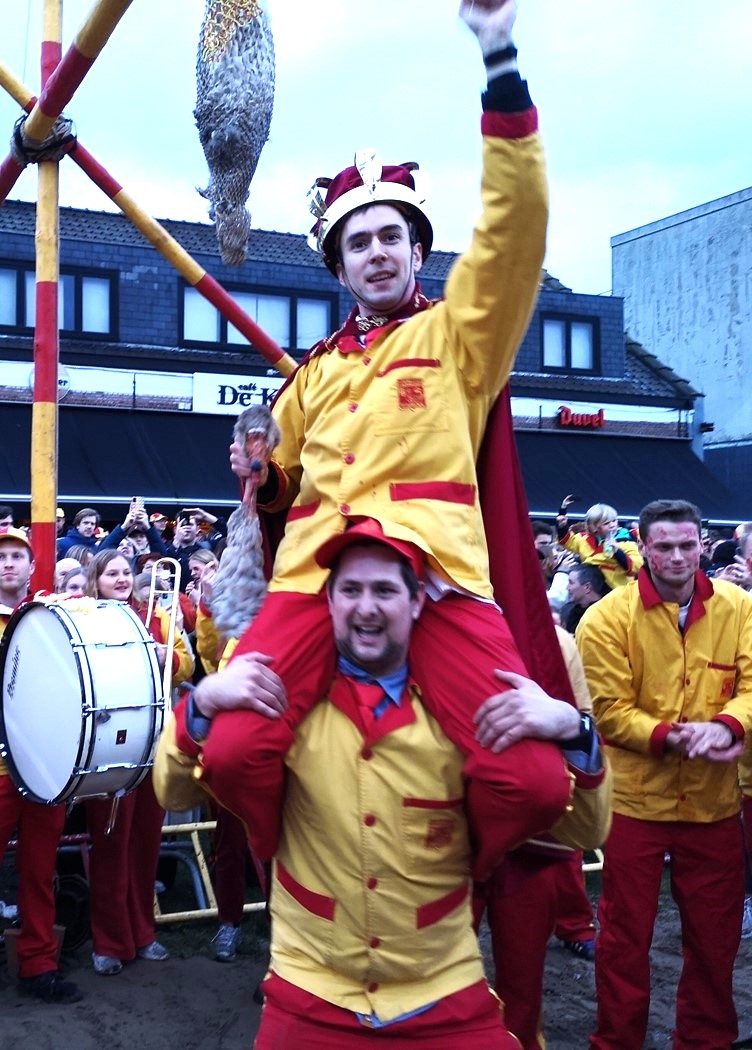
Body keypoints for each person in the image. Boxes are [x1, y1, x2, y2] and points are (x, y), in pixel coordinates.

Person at [200, 0, 574, 876]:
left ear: (417, 250)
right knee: (226, 756)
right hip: (312, 586)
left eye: (391, 236)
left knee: (533, 781)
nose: (376, 252)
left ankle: (444, 876)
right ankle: (305, 849)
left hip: (436, 582)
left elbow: (517, 224)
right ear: (337, 266)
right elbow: (277, 501)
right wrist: (264, 474)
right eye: (357, 241)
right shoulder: (309, 379)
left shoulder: (463, 335)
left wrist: (500, 60)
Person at [155, 520, 601, 1046]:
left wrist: (576, 732)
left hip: (442, 988)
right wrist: (201, 704)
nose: (366, 607)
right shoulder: (275, 692)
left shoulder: (470, 706)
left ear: (417, 603)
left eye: (385, 590)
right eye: (351, 590)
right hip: (311, 985)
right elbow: (174, 793)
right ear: (329, 600)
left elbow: (586, 833)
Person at [577, 499, 752, 1049]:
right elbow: (608, 710)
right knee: (625, 939)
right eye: (665, 546)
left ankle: (706, 1041)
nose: (677, 556)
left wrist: (727, 725)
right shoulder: (604, 619)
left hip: (714, 804)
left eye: (687, 545)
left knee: (715, 938)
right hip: (634, 805)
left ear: (701, 544)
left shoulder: (740, 609)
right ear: (644, 548)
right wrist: (673, 736)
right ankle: (617, 1041)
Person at [83, 550, 193, 976]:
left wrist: (172, 659)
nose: (121, 578)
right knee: (111, 845)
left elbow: (185, 665)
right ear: (97, 579)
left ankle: (143, 934)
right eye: (111, 573)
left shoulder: (157, 617)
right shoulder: (86, 618)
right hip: (107, 749)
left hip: (153, 743)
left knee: (147, 844)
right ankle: (109, 942)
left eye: (125, 572)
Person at [0, 527, 83, 1003]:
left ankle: (38, 966)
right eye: (2, 556)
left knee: (39, 868)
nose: (9, 563)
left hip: (46, 767)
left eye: (18, 556)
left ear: (32, 567)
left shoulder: (52, 619)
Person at [556, 497, 642, 589]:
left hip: (620, 594)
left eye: (614, 520)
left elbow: (638, 566)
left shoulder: (626, 542)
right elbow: (567, 541)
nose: (612, 525)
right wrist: (562, 524)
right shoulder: (584, 539)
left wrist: (618, 552)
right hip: (592, 593)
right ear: (593, 527)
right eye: (606, 523)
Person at [164, 511, 210, 592]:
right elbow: (164, 564)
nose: (186, 528)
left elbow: (226, 534)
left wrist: (205, 515)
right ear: (175, 530)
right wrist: (177, 541)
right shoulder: (166, 548)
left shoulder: (203, 552)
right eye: (182, 525)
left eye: (190, 524)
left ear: (197, 529)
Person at [560, 562, 609, 634]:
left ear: (587, 587)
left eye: (571, 583)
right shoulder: (567, 611)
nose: (567, 588)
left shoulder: (606, 616)